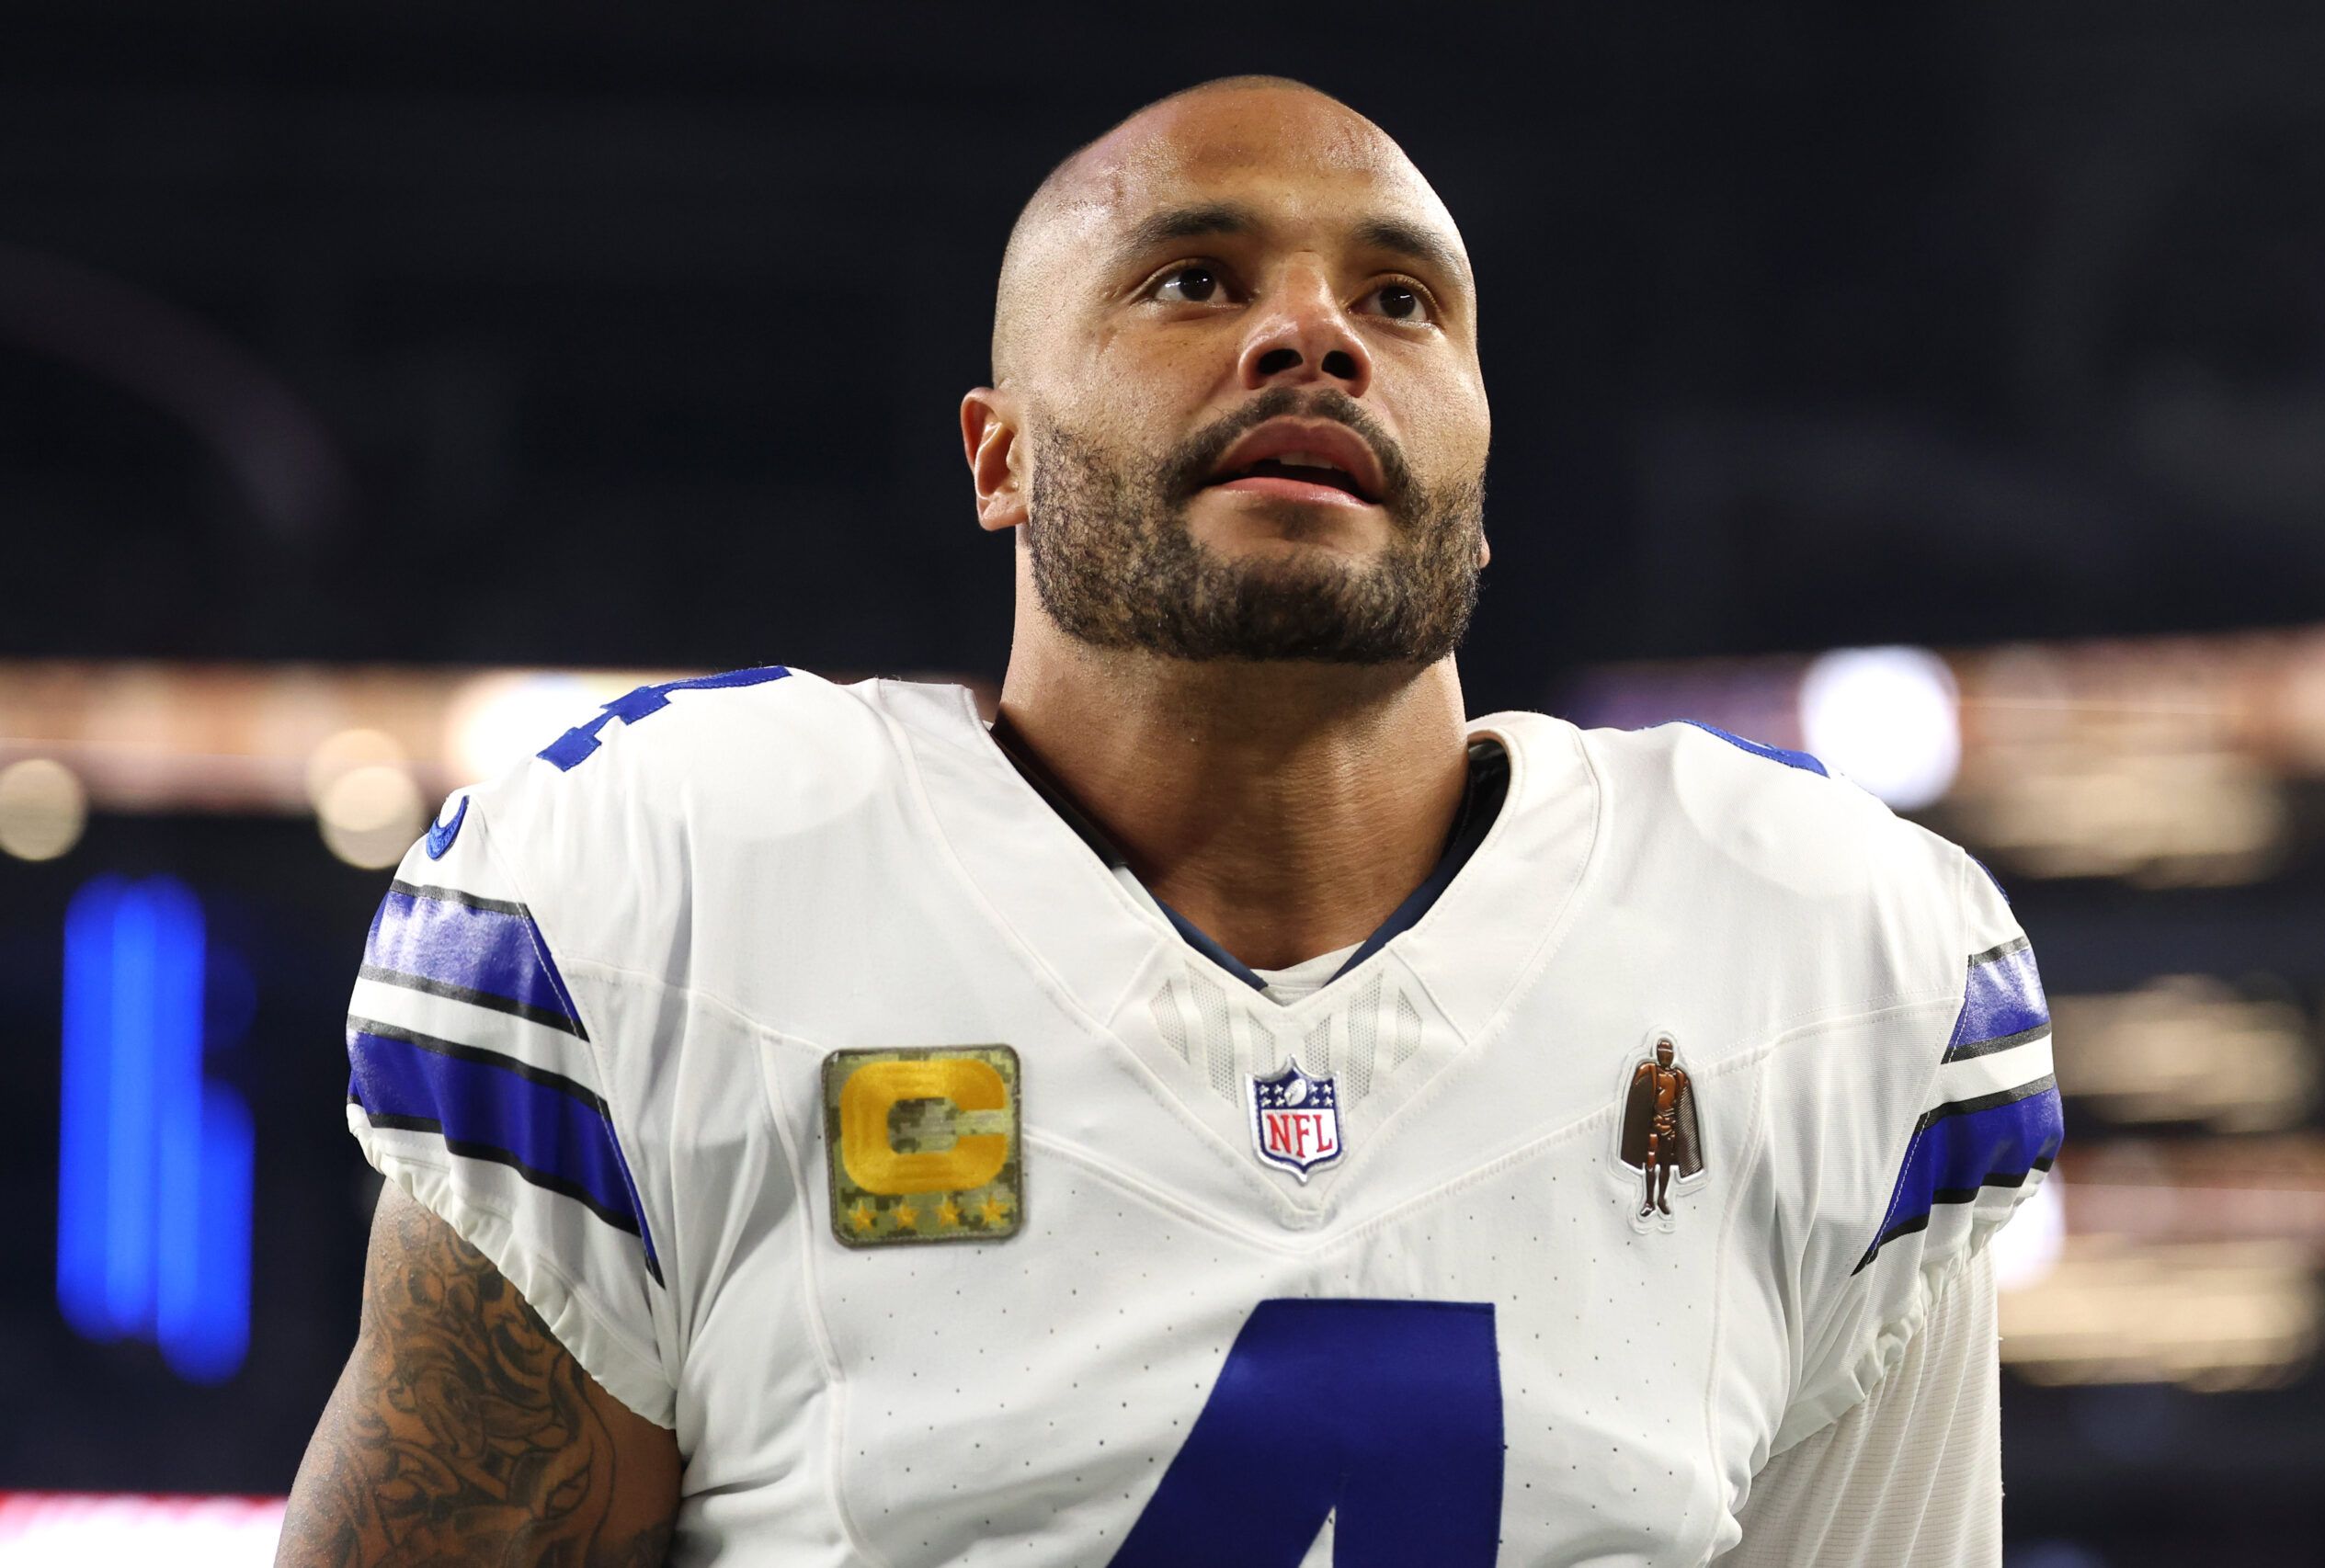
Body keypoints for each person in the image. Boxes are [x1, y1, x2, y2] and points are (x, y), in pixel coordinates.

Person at [279, 75, 2062, 1567]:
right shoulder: (667, 893)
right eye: (1195, 281)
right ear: (1000, 455)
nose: (1313, 335)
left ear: (1480, 472)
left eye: (1399, 302)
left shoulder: (1828, 964)